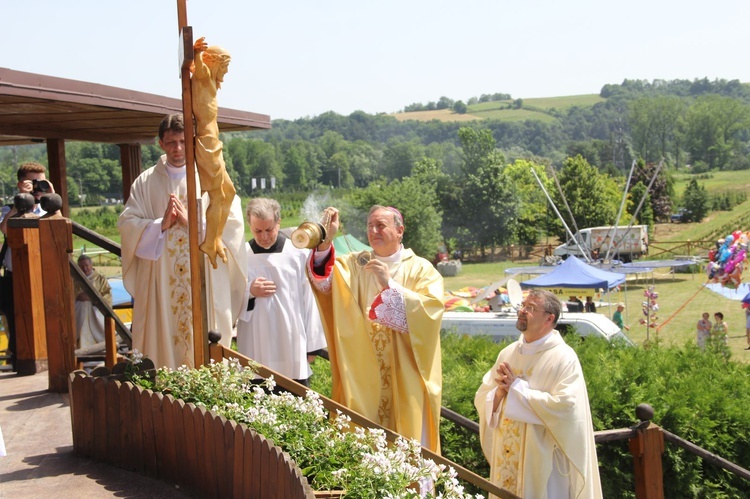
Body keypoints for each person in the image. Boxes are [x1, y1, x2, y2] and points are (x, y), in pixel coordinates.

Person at [307, 205, 444, 452]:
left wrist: (388, 284)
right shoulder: (356, 263)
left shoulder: (422, 269)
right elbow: (325, 284)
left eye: (381, 225)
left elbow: (430, 314)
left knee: (407, 450)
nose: (373, 231)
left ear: (400, 230)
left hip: (407, 375)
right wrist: (326, 241)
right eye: (370, 225)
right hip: (363, 374)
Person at [118, 114, 247, 370]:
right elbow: (127, 225)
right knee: (162, 344)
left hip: (202, 281)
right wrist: (159, 225)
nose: (177, 148)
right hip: (160, 283)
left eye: (182, 141)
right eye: (171, 142)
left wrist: (195, 223)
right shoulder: (145, 182)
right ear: (160, 144)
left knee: (204, 346)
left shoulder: (211, 179)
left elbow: (232, 226)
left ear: (192, 141)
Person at [474, 289, 602, 498]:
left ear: (549, 318)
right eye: (522, 306)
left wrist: (516, 388)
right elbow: (483, 396)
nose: (522, 311)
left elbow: (566, 408)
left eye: (531, 308)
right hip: (506, 458)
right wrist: (498, 393)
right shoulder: (507, 353)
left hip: (546, 464)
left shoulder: (564, 358)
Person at [236, 198, 326, 387]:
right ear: (249, 225)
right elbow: (228, 296)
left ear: (279, 222)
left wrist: (312, 347)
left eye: (269, 229)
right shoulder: (241, 255)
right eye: (257, 230)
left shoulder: (298, 254)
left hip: (291, 344)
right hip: (255, 344)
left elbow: (310, 300)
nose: (264, 236)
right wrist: (249, 291)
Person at [0, 162, 54, 371]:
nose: (37, 186)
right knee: (16, 323)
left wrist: (52, 196)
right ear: (21, 183)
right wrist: (18, 204)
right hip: (16, 277)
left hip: (43, 274)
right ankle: (19, 362)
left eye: (40, 181)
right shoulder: (9, 208)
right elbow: (5, 229)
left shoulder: (46, 209)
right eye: (33, 182)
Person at [191, 36, 235, 269]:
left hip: (213, 142)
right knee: (218, 196)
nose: (225, 74)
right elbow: (199, 70)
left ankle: (215, 238)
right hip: (207, 144)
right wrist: (197, 53)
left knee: (229, 192)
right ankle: (209, 242)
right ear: (215, 62)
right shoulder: (204, 76)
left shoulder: (209, 81)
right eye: (225, 68)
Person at [73, 254, 112, 349]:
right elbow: (69, 293)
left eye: (86, 265)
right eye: (82, 266)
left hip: (95, 312)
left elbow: (108, 295)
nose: (85, 268)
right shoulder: (74, 280)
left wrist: (93, 298)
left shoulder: (100, 279)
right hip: (79, 313)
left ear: (91, 265)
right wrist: (77, 296)